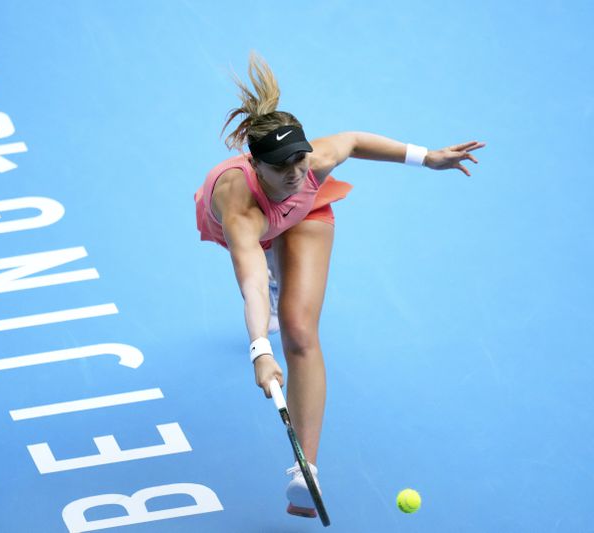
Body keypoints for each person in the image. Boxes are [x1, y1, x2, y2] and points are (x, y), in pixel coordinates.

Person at [194, 52, 485, 518]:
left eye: (299, 158)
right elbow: (245, 282)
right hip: (261, 229)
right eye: (281, 166)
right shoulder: (240, 212)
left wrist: (427, 157)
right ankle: (278, 270)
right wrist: (259, 352)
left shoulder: (312, 166)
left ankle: (305, 470)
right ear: (255, 164)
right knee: (265, 286)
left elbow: (352, 139)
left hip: (305, 213)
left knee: (298, 329)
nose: (294, 171)